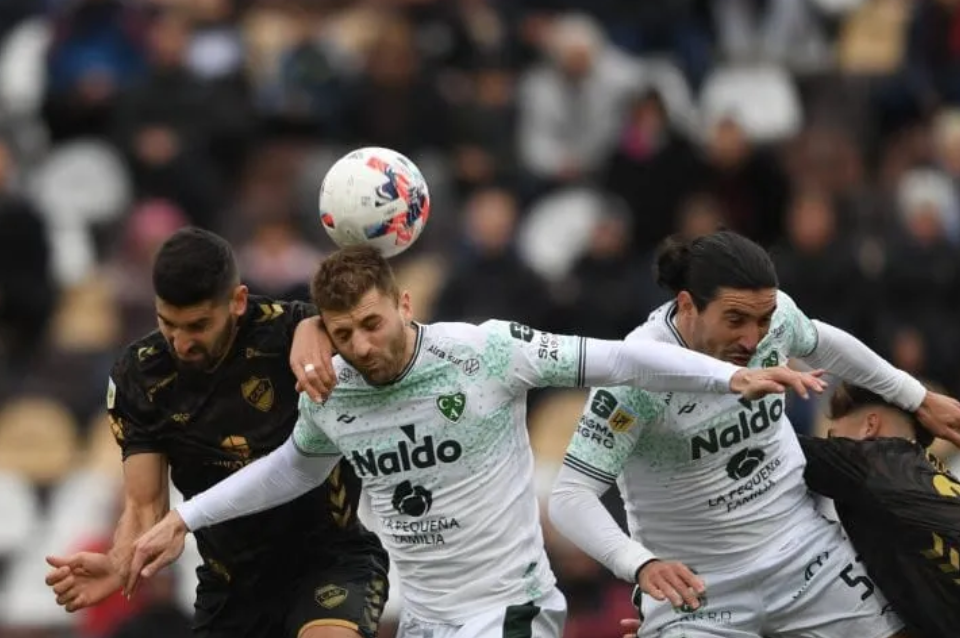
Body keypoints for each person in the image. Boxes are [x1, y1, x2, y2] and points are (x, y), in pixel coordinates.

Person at [125, 244, 823, 638]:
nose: (361, 345)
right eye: (343, 334)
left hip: (510, 609)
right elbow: (293, 468)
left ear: (403, 304)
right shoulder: (335, 394)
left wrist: (726, 377)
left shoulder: (486, 353)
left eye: (372, 323)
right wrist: (186, 518)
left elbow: (618, 359)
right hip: (426, 620)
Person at [549, 230, 960, 638]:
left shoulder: (773, 320)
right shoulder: (634, 378)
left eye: (763, 320)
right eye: (735, 320)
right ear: (687, 305)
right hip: (700, 591)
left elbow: (821, 340)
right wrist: (638, 564)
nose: (752, 339)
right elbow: (570, 495)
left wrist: (917, 397)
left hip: (808, 557)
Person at [44, 227, 388, 638]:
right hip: (230, 588)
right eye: (168, 323)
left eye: (198, 325)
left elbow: (370, 331)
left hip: (329, 563)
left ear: (238, 301)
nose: (181, 342)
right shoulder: (141, 376)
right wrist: (120, 562)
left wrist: (317, 327)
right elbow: (145, 505)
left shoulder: (291, 331)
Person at [798, 382, 960, 638]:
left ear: (869, 426)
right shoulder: (927, 472)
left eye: (833, 436)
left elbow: (773, 450)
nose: (831, 445)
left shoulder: (872, 464)